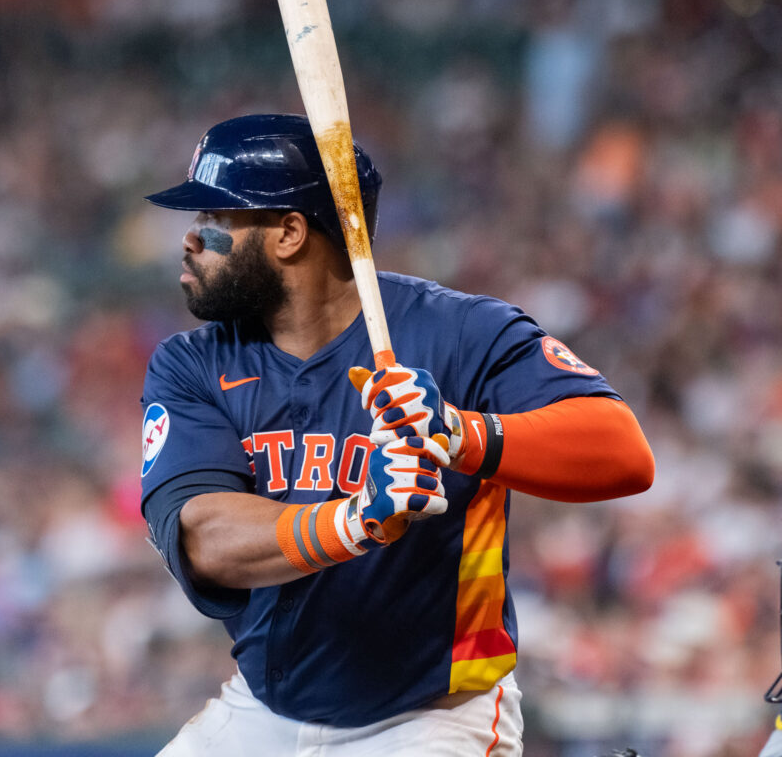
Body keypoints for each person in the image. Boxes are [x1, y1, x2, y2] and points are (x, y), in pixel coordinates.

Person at [139, 113, 655, 756]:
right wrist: (354, 519)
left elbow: (623, 452)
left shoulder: (460, 332)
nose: (189, 238)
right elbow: (206, 538)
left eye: (215, 219)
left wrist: (457, 433)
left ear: (289, 233)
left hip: (431, 718)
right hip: (264, 711)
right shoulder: (194, 362)